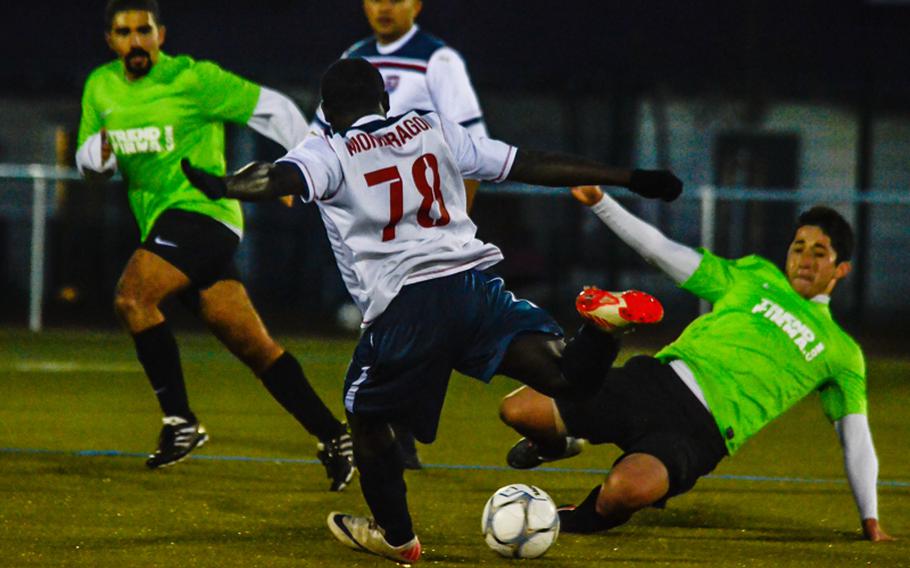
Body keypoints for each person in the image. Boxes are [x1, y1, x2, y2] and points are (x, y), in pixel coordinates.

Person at [181, 57, 682, 564]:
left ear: (327, 112)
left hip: (406, 308)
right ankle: (601, 329)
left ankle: (396, 537)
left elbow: (275, 176)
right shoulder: (431, 128)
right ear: (384, 101)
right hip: (472, 291)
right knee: (568, 381)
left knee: (365, 418)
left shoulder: (328, 148)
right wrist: (628, 176)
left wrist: (224, 186)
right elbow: (526, 161)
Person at [499, 184, 893, 543]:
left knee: (625, 491)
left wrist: (870, 517)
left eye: (819, 252)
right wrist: (602, 203)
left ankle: (579, 518)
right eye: (798, 247)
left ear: (842, 269)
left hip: (700, 433)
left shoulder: (842, 351)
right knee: (517, 409)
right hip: (654, 382)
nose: (804, 259)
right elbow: (662, 251)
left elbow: (854, 437)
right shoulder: (754, 276)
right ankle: (557, 445)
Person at [75, 0, 354, 491]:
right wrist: (93, 158)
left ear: (161, 34)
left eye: (145, 30)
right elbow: (90, 160)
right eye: (125, 32)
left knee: (132, 296)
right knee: (254, 346)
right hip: (163, 222)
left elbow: (275, 108)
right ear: (110, 40)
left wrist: (298, 168)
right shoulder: (100, 87)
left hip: (204, 212)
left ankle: (180, 421)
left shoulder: (194, 79)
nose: (136, 40)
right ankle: (334, 436)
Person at [314, 0, 491, 468]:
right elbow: (322, 136)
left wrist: (453, 219)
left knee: (410, 322)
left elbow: (468, 147)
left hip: (425, 227)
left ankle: (395, 429)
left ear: (417, 4)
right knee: (388, 320)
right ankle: (396, 429)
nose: (384, 7)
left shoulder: (438, 60)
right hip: (372, 223)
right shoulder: (354, 55)